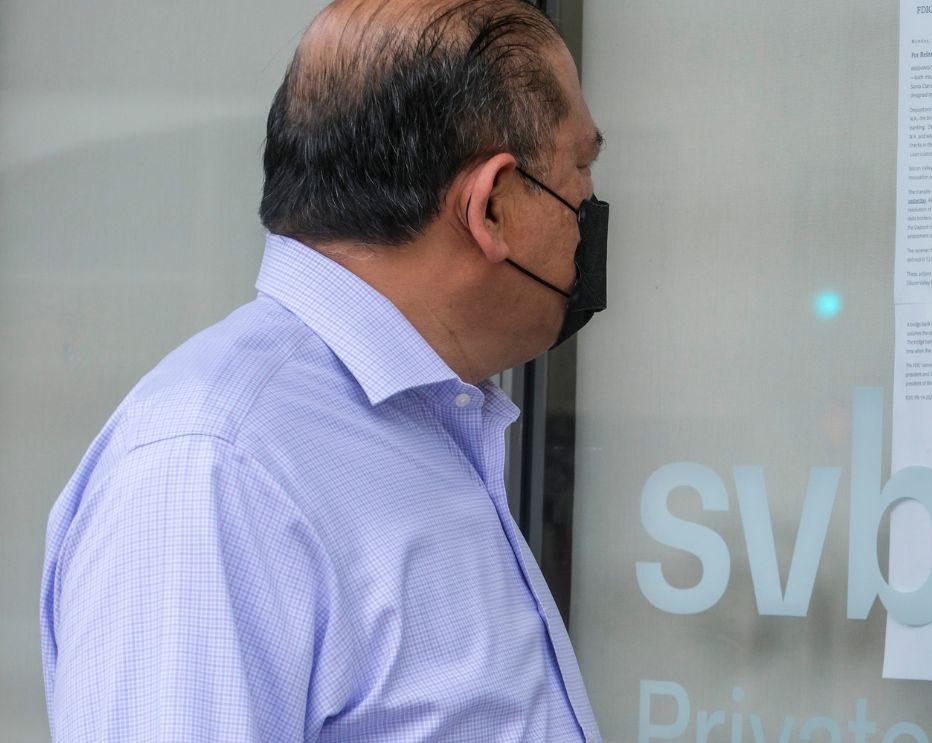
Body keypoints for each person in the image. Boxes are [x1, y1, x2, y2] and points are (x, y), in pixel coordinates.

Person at [39, 0, 607, 740]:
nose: (590, 201)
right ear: (491, 206)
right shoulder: (213, 469)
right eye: (582, 165)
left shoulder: (434, 418)